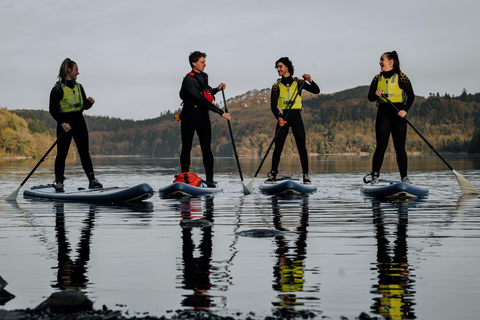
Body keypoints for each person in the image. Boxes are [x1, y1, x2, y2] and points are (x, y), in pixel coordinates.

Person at [49, 58, 102, 192]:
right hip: (65, 123)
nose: (78, 73)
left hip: (79, 121)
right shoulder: (57, 88)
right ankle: (59, 182)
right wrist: (62, 123)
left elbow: (84, 106)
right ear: (69, 70)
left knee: (84, 152)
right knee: (62, 153)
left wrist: (89, 103)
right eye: (76, 70)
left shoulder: (79, 86)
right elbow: (52, 109)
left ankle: (92, 180)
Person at [179, 51, 231, 187]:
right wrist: (221, 112)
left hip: (203, 115)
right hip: (189, 115)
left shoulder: (204, 76)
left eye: (204, 62)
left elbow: (205, 93)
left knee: (206, 148)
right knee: (186, 147)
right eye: (202, 62)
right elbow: (200, 99)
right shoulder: (188, 80)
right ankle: (185, 178)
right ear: (194, 63)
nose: (205, 65)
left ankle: (210, 180)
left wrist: (217, 90)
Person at [267, 57, 320, 184]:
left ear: (287, 67)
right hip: (283, 119)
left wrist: (310, 80)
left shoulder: (299, 82)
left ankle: (306, 176)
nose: (278, 69)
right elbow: (273, 106)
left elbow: (316, 90)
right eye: (277, 67)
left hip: (296, 118)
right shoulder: (276, 86)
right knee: (278, 147)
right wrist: (279, 118)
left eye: (280, 67)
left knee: (302, 148)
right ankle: (273, 174)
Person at [367, 51, 415, 185]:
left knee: (400, 147)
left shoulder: (401, 76)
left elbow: (411, 96)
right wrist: (376, 95)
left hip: (398, 114)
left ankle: (404, 178)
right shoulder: (377, 78)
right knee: (381, 146)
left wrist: (405, 110)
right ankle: (375, 177)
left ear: (391, 62)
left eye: (382, 59)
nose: (380, 62)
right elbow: (370, 97)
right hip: (383, 114)